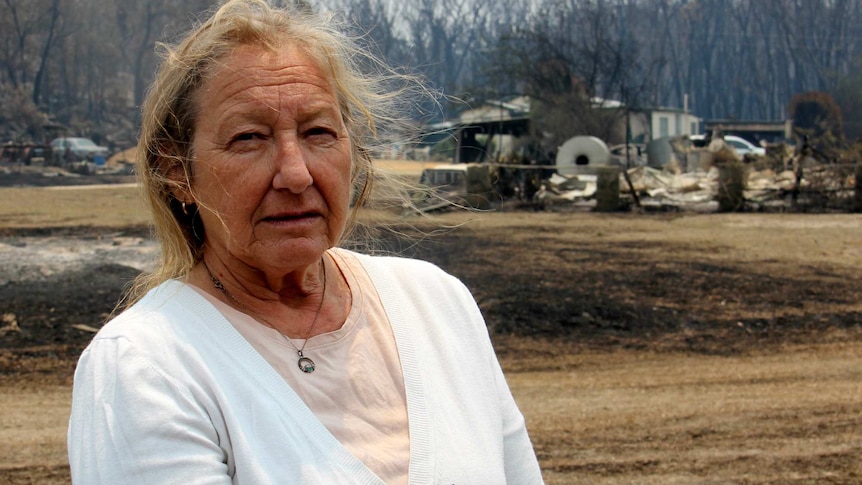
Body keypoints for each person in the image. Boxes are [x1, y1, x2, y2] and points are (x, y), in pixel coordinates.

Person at [67, 0, 543, 483]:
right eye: (249, 138)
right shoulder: (148, 367)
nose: (296, 174)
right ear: (178, 172)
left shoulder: (438, 305)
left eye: (318, 132)